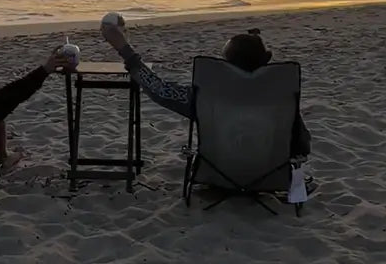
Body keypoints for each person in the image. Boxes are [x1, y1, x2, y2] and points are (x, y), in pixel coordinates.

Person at [100, 20, 311, 159]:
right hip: (269, 177)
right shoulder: (280, 95)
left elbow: (158, 90)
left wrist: (124, 48)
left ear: (229, 66)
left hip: (218, 175)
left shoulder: (208, 96)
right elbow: (303, 147)